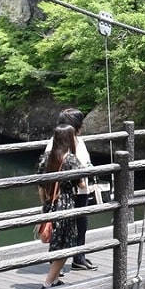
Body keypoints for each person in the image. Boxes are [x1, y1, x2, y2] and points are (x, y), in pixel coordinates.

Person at [44, 108, 96, 271]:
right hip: (64, 193)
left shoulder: (79, 141)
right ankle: (55, 265)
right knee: (60, 226)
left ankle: (78, 257)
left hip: (81, 190)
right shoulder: (55, 143)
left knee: (81, 222)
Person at [37, 124, 83, 288]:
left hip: (50, 203)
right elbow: (82, 184)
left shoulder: (46, 157)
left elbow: (40, 185)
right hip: (65, 204)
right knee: (67, 244)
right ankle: (49, 281)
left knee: (55, 243)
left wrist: (45, 204)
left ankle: (55, 279)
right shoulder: (71, 160)